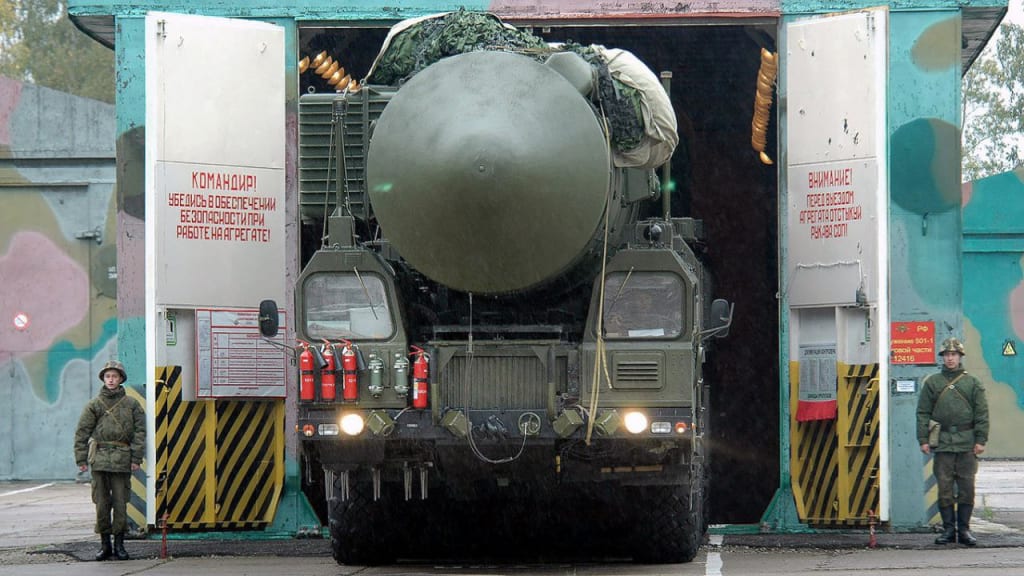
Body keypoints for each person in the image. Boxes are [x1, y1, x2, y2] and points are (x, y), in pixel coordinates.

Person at [916, 337, 989, 547]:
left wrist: (981, 439)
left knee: (967, 487)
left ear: (960, 357)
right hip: (943, 442)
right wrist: (923, 439)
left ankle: (964, 530)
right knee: (944, 487)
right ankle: (948, 530)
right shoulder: (933, 383)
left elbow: (982, 413)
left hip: (967, 442)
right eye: (947, 355)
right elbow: (923, 412)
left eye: (954, 355)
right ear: (943, 357)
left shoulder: (972, 383)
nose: (950, 358)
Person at [74, 360, 146, 561]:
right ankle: (105, 544)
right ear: (103, 379)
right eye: (108, 376)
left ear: (121, 379)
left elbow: (140, 433)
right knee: (101, 503)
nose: (111, 380)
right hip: (100, 459)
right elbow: (82, 432)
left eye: (115, 376)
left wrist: (136, 458)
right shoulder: (94, 405)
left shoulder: (132, 404)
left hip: (122, 459)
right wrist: (81, 459)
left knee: (121, 503)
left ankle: (119, 545)